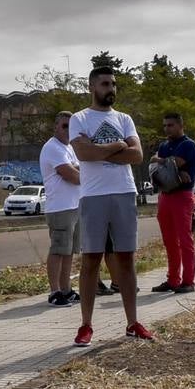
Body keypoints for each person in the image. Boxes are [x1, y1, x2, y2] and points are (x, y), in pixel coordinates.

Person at [69, 67, 152, 345]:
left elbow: (137, 155)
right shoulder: (79, 118)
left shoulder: (124, 118)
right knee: (91, 259)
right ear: (93, 86)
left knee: (125, 259)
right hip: (93, 196)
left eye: (114, 84)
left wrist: (101, 150)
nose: (111, 89)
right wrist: (117, 146)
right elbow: (83, 153)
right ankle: (85, 325)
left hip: (124, 192)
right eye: (106, 84)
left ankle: (132, 322)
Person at [149, 112, 195, 294]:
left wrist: (164, 162)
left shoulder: (188, 145)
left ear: (180, 125)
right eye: (165, 126)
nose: (167, 129)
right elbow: (156, 166)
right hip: (165, 195)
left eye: (170, 125)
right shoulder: (164, 145)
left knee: (185, 239)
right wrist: (168, 164)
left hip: (182, 195)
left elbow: (175, 162)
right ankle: (172, 279)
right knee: (169, 240)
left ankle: (188, 281)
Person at [40, 111, 81, 306]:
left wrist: (81, 172)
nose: (68, 130)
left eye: (71, 126)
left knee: (69, 250)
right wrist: (85, 175)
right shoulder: (53, 148)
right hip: (60, 207)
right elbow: (71, 175)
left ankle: (66, 288)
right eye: (65, 126)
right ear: (56, 127)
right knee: (58, 249)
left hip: (74, 205)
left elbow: (79, 171)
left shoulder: (70, 147)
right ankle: (54, 291)